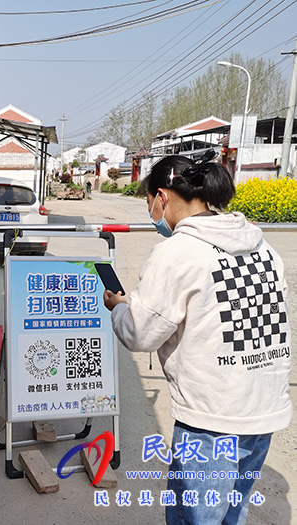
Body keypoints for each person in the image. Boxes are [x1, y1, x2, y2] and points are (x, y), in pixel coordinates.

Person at [103, 153, 292, 525]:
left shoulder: (178, 252)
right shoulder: (262, 247)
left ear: (162, 197)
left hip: (213, 415)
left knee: (197, 517)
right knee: (231, 512)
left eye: (148, 204)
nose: (152, 214)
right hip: (263, 408)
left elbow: (140, 333)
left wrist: (120, 308)